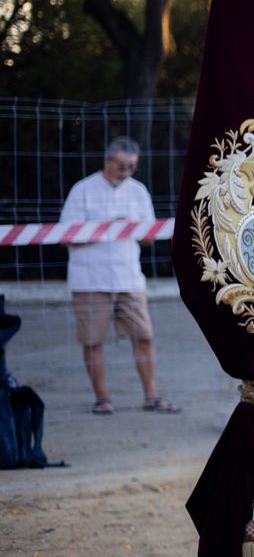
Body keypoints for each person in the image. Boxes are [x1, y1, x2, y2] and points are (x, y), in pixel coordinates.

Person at [60, 137, 177, 416]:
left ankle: (151, 395)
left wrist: (132, 229)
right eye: (123, 166)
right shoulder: (83, 190)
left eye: (132, 167)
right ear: (108, 160)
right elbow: (65, 237)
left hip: (128, 277)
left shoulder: (138, 191)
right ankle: (102, 398)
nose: (127, 172)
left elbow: (148, 238)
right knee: (93, 340)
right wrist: (106, 229)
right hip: (90, 279)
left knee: (144, 337)